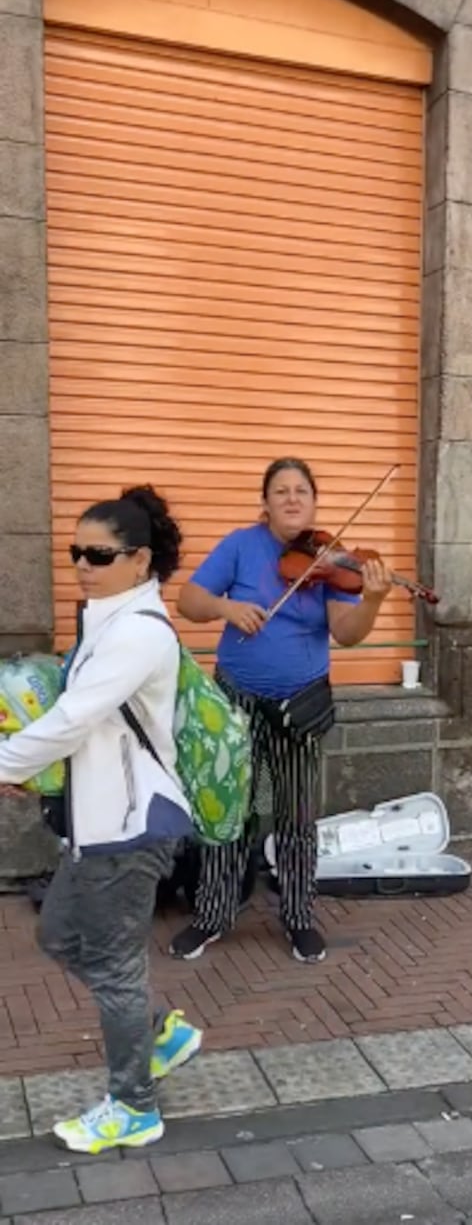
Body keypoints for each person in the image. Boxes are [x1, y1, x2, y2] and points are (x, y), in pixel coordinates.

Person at [0, 486, 203, 1154]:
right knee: (59, 935)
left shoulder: (139, 633)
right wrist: (31, 769)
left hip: (130, 827)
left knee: (114, 967)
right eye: (75, 551)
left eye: (99, 553)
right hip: (97, 826)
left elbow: (74, 717)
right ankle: (158, 1032)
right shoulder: (106, 622)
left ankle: (134, 1107)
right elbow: (87, 729)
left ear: (140, 560)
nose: (82, 564)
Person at [169, 457, 393, 963]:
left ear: (314, 502)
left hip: (299, 703)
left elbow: (347, 634)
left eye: (302, 491)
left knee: (296, 813)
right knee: (230, 812)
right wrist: (227, 609)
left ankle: (297, 916)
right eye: (281, 491)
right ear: (265, 503)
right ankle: (212, 914)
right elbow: (189, 599)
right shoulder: (240, 546)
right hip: (236, 702)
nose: (292, 499)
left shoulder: (330, 559)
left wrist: (374, 601)